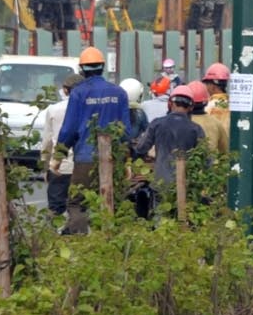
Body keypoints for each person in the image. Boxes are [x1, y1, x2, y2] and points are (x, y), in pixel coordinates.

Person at [55, 46, 137, 233]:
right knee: (113, 202)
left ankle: (80, 244)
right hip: (114, 158)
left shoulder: (78, 93)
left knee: (77, 203)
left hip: (85, 158)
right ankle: (111, 243)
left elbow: (69, 129)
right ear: (102, 67)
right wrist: (127, 161)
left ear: (82, 69)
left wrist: (58, 157)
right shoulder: (119, 93)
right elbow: (125, 132)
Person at [131, 81, 203, 208]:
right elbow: (206, 159)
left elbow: (141, 148)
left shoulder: (157, 124)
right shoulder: (196, 129)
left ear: (170, 103)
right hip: (187, 185)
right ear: (191, 107)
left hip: (161, 183)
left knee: (160, 217)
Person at [36, 72, 80, 217]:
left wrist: (45, 164)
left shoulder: (54, 109)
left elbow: (47, 140)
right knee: (79, 207)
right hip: (83, 165)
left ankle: (55, 237)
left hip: (59, 166)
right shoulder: (89, 108)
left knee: (55, 209)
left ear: (65, 90)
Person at [195, 62, 232, 154]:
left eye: (207, 84)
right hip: (230, 151)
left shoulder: (208, 107)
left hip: (214, 154)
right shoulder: (232, 105)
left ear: (212, 86)